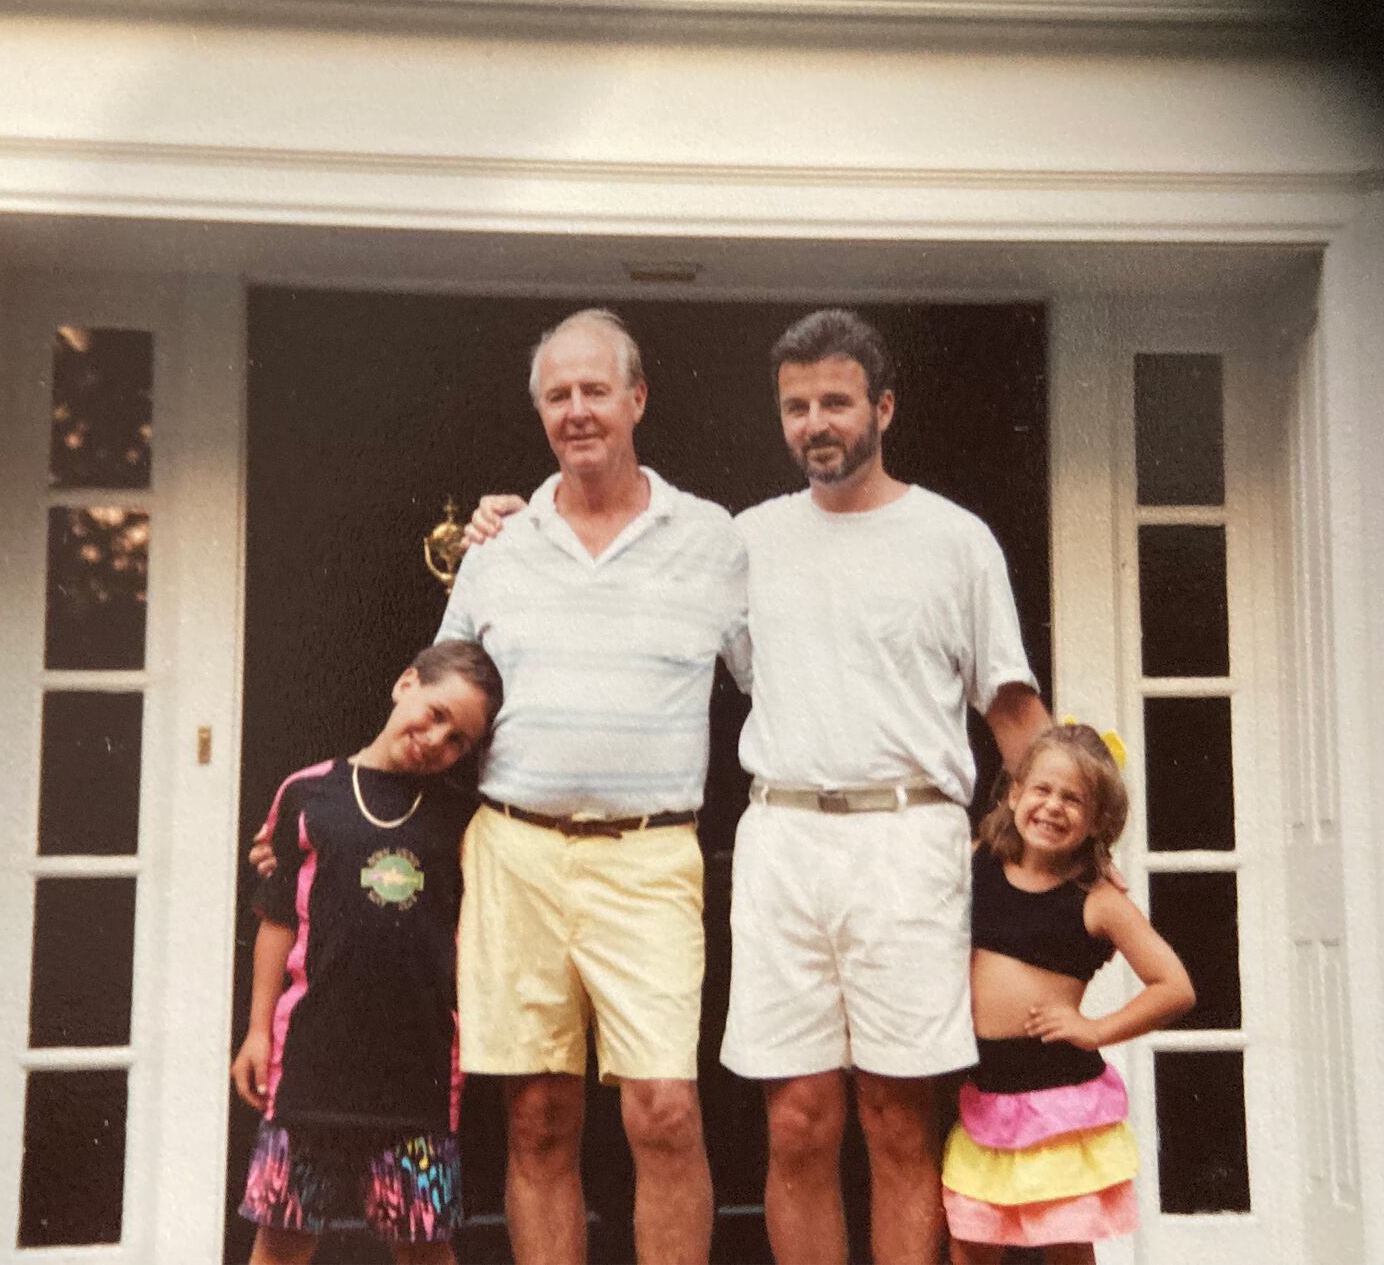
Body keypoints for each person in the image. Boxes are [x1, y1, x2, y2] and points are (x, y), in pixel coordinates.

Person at [469, 308, 1051, 1263]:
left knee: (900, 1123)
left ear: (884, 408)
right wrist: (509, 514)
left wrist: (1081, 855)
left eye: (836, 402)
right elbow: (626, 614)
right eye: (796, 407)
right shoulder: (743, 542)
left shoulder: (955, 540)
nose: (816, 423)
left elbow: (1015, 714)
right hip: (784, 841)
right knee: (798, 1125)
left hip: (908, 842)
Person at [440, 308, 748, 1265]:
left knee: (665, 1112)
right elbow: (442, 699)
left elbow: (776, 685)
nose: (577, 412)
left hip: (650, 856)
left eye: (595, 390)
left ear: (638, 398)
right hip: (515, 852)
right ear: (540, 412)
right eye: (557, 395)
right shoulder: (500, 543)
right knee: (537, 1117)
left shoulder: (712, 539)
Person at [231, 640, 503, 1265]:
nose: (437, 739)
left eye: (458, 739)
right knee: (282, 1237)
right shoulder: (307, 793)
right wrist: (255, 1033)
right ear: (405, 683)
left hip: (421, 1072)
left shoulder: (464, 818)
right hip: (310, 1063)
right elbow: (275, 919)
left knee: (424, 1244)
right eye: (434, 713)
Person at [944, 723, 1194, 1265]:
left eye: (1073, 799)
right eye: (1042, 789)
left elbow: (1175, 986)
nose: (1053, 807)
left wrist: (1096, 1029)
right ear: (1014, 793)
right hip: (984, 1095)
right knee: (971, 1238)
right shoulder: (979, 860)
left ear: (1099, 821)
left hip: (1058, 1103)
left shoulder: (1099, 900)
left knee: (1064, 1242)